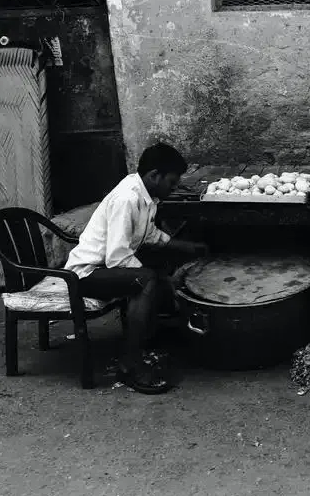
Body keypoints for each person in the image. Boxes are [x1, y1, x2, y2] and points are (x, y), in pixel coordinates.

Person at [64, 142, 208, 394]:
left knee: (157, 270)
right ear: (154, 175)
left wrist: (186, 246)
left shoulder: (144, 193)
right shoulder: (127, 199)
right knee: (148, 281)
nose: (174, 188)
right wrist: (159, 281)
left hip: (106, 268)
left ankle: (149, 338)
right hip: (86, 275)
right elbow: (117, 258)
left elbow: (148, 234)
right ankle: (129, 364)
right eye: (171, 182)